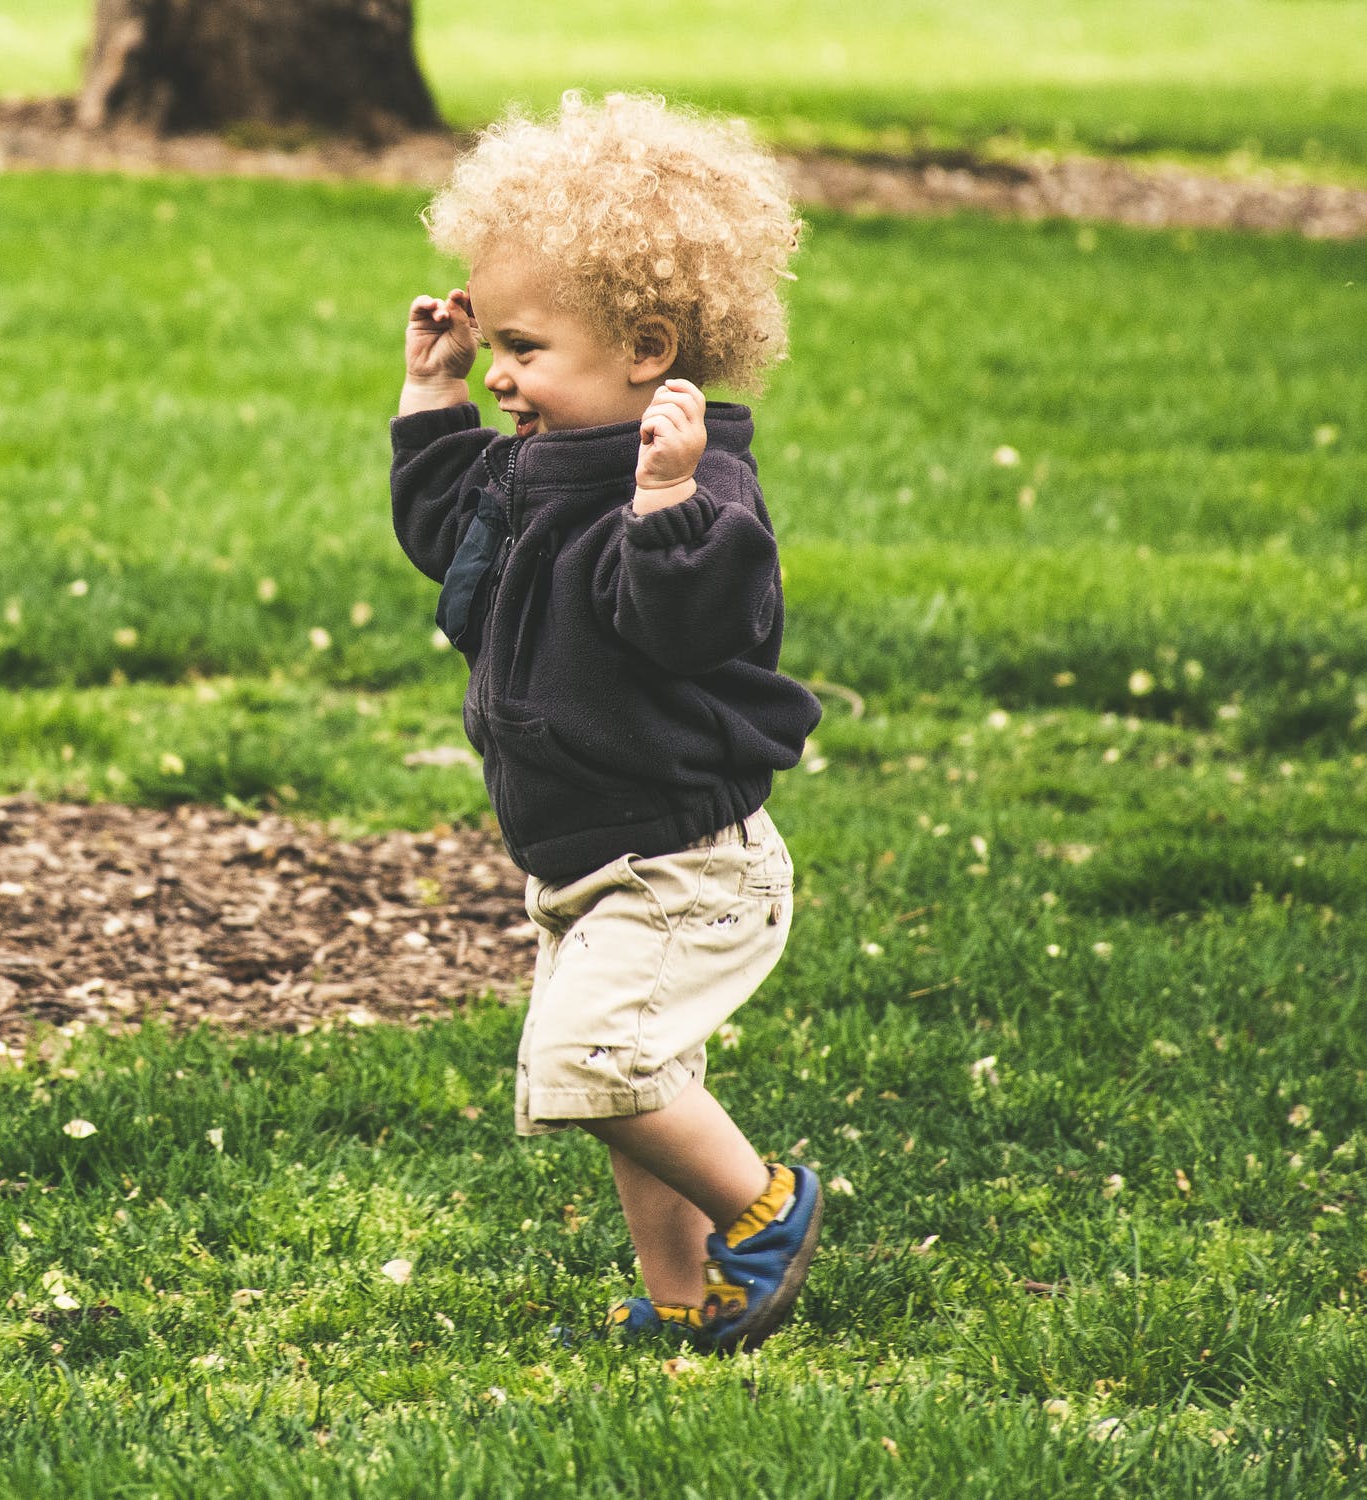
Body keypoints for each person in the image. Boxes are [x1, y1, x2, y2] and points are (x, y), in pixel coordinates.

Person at [389, 92, 825, 1352]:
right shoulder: (526, 464)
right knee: (635, 1080)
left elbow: (692, 626)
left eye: (521, 346)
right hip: (584, 852)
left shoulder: (696, 483)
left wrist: (668, 502)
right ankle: (686, 1299)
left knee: (596, 1065)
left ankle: (769, 1204)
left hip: (683, 860)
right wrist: (433, 398)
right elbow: (440, 537)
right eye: (491, 345)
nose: (503, 374)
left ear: (645, 346)